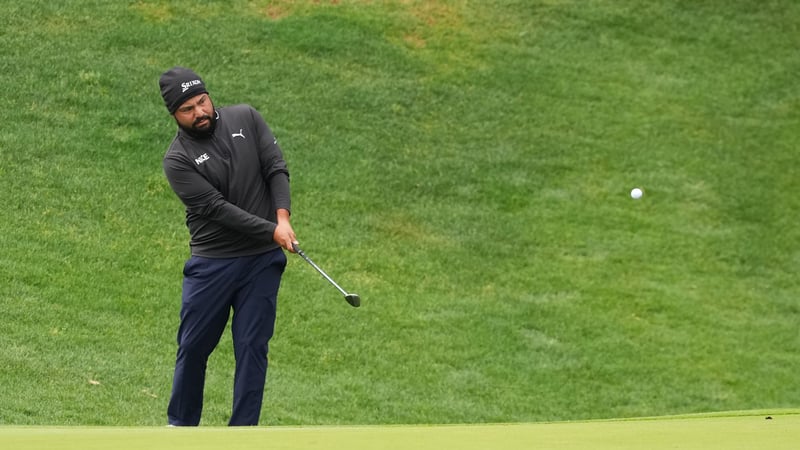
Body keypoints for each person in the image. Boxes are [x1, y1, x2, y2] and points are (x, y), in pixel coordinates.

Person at [158, 67, 297, 426]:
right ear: (174, 114)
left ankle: (242, 433)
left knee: (252, 348)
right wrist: (271, 231)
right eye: (187, 109)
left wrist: (282, 218)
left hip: (261, 262)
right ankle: (182, 426)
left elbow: (275, 168)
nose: (200, 112)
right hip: (213, 264)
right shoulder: (177, 160)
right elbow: (216, 209)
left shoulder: (246, 118)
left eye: (202, 101)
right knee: (193, 347)